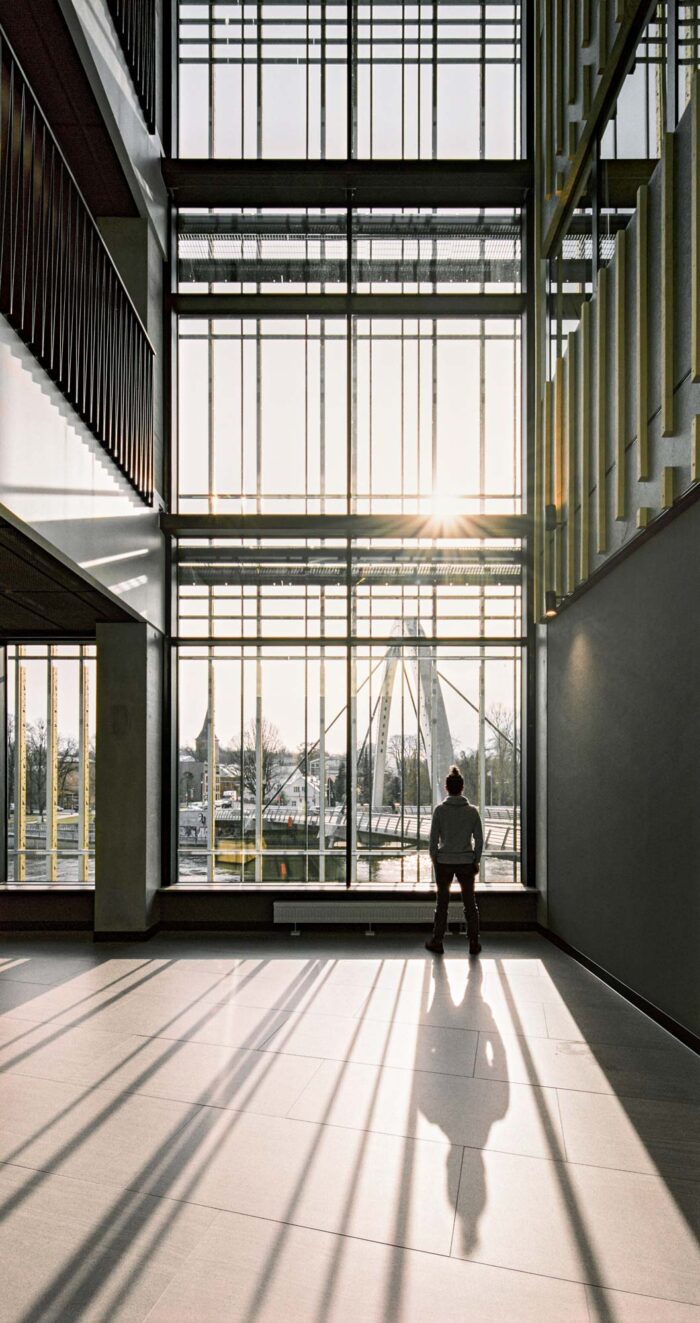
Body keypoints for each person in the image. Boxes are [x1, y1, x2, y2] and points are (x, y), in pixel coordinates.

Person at [425, 765, 484, 956]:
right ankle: (474, 942)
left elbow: (433, 840)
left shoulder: (440, 811)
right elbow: (479, 839)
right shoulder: (472, 812)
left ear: (446, 788)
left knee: (442, 903)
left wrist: (435, 858)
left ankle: (438, 940)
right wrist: (476, 859)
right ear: (462, 788)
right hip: (466, 862)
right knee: (470, 903)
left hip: (444, 862)